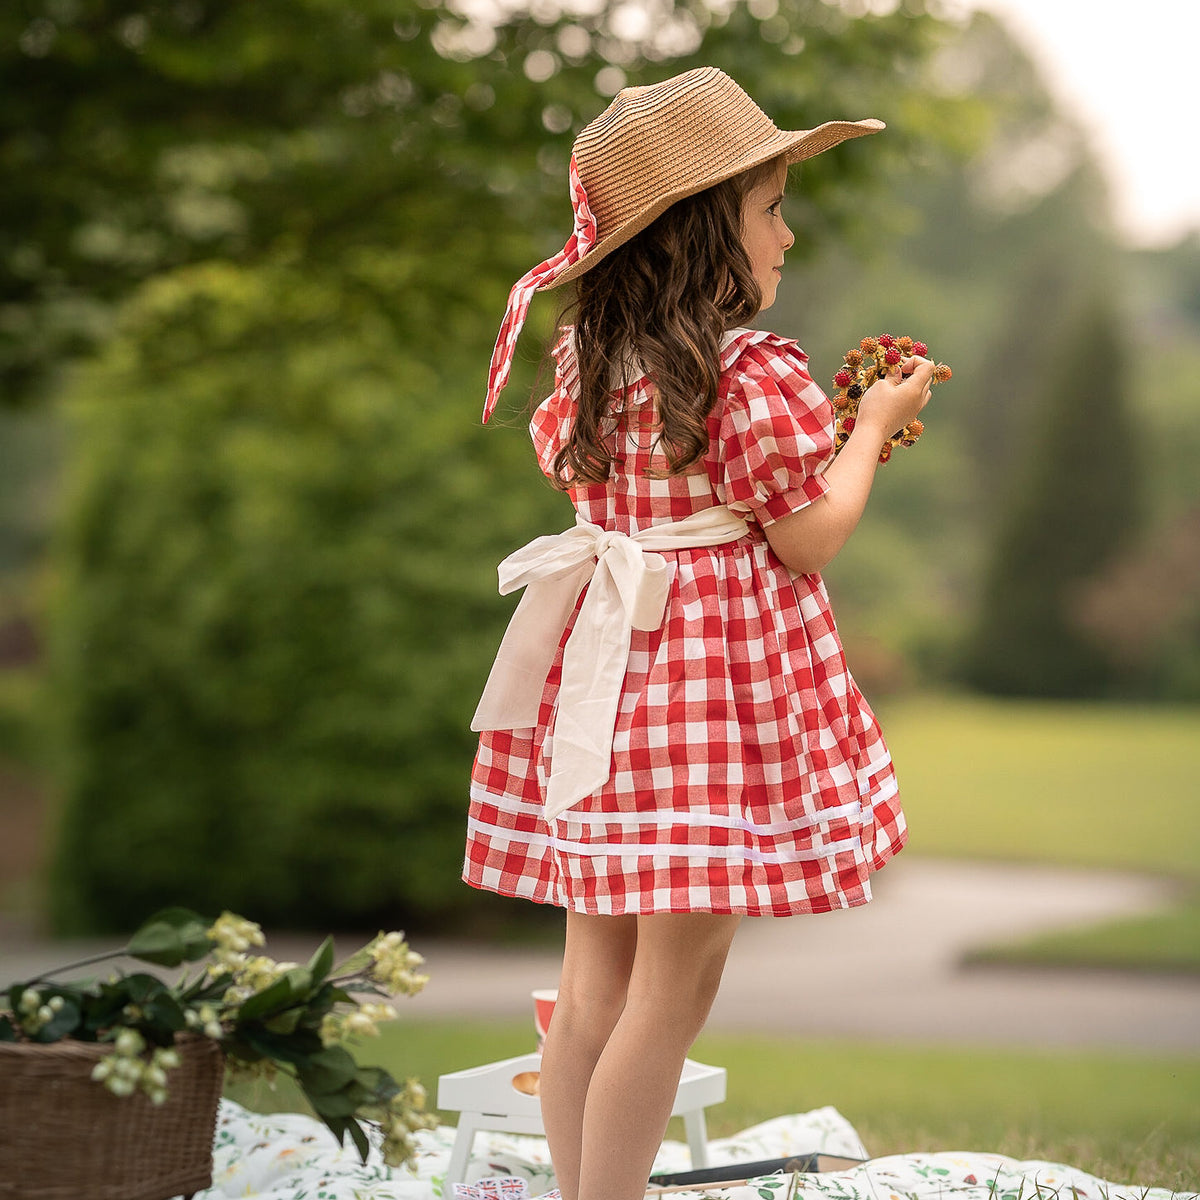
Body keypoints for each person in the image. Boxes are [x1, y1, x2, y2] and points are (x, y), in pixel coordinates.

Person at [464, 66, 934, 1200]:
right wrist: (869, 430)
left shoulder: (590, 361)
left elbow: (683, 481)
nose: (787, 230)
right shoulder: (747, 369)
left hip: (605, 681)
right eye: (769, 207)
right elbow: (809, 535)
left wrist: (821, 424)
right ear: (699, 233)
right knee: (672, 993)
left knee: (592, 990)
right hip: (705, 698)